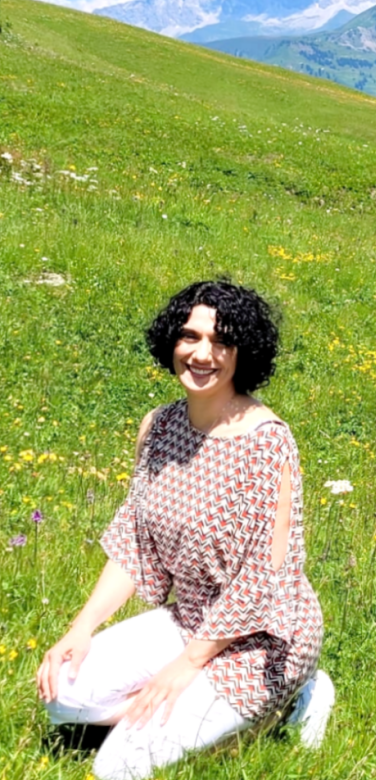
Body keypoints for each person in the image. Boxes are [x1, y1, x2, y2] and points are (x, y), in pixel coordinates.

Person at [37, 280, 334, 780]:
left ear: (244, 353)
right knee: (60, 691)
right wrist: (81, 628)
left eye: (221, 341)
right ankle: (185, 715)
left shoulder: (266, 443)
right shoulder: (159, 426)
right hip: (192, 618)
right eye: (189, 336)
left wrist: (186, 666)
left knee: (116, 766)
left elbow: (261, 580)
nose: (201, 354)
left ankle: (293, 700)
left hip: (263, 640)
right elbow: (134, 540)